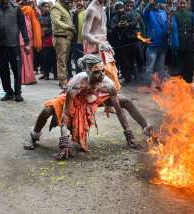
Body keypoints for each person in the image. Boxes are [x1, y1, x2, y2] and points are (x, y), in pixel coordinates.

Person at [24, 55, 153, 160]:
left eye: (103, 71)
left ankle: (147, 129)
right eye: (97, 72)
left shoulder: (107, 84)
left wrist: (129, 136)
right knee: (48, 109)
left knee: (125, 101)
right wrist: (64, 143)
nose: (102, 75)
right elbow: (66, 115)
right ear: (87, 72)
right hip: (76, 97)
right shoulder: (76, 84)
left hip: (95, 96)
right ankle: (34, 135)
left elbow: (119, 112)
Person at [0, 0, 30, 102]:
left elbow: (23, 27)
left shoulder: (16, 9)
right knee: (3, 71)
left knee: (17, 71)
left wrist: (27, 43)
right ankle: (9, 93)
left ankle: (18, 93)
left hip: (13, 45)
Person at [83, 0, 121, 92]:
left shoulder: (102, 7)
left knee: (112, 76)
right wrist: (101, 44)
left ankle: (109, 103)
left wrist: (106, 43)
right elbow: (85, 34)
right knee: (99, 78)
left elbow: (102, 31)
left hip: (103, 44)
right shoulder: (91, 9)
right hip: (94, 47)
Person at [110, 1, 141, 83]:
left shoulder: (127, 15)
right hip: (116, 44)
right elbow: (111, 27)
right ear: (116, 10)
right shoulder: (114, 18)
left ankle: (129, 78)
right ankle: (116, 79)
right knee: (117, 62)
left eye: (122, 8)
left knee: (127, 62)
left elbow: (134, 23)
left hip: (127, 43)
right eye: (119, 8)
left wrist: (127, 24)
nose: (121, 10)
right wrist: (118, 26)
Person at [143, 0, 169, 88]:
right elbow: (145, 11)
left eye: (157, 3)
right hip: (152, 45)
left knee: (161, 68)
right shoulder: (148, 13)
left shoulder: (163, 12)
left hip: (163, 45)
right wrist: (150, 3)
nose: (156, 4)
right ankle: (147, 85)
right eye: (155, 3)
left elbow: (166, 25)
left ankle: (159, 85)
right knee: (150, 67)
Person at [51, 0, 75, 90]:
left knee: (65, 60)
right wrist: (68, 27)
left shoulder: (65, 7)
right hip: (60, 37)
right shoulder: (56, 6)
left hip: (67, 37)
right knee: (62, 60)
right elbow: (56, 21)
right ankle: (63, 81)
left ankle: (64, 79)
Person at [170, 0, 194, 83]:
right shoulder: (174, 14)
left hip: (189, 40)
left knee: (189, 62)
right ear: (178, 4)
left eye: (184, 3)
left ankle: (188, 82)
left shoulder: (191, 14)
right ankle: (180, 82)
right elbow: (171, 28)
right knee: (180, 62)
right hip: (178, 40)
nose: (182, 5)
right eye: (181, 3)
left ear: (187, 4)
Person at [19, 0, 42, 85]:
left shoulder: (28, 10)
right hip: (24, 39)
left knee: (27, 59)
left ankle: (26, 78)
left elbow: (39, 14)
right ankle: (27, 79)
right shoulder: (25, 10)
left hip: (27, 38)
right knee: (26, 59)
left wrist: (35, 5)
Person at [39, 1, 57, 80]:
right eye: (45, 6)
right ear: (41, 8)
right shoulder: (39, 17)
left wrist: (45, 31)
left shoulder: (52, 17)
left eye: (48, 7)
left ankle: (56, 75)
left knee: (53, 59)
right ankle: (46, 74)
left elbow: (53, 28)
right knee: (44, 59)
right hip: (43, 41)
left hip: (51, 40)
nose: (47, 8)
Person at [71, 0, 85, 74]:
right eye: (76, 1)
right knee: (78, 62)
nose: (79, 3)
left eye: (80, 1)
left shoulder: (87, 12)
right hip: (76, 41)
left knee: (87, 62)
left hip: (86, 42)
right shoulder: (72, 13)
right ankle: (79, 79)